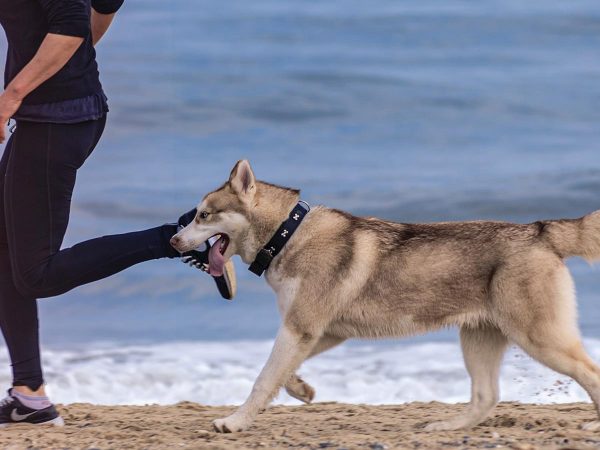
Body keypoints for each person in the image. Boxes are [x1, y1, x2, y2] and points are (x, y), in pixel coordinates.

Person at [0, 0, 236, 427]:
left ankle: (178, 236)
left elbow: (72, 26)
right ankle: (29, 395)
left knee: (37, 275)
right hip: (56, 114)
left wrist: (12, 95)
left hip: (56, 122)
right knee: (4, 249)